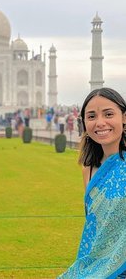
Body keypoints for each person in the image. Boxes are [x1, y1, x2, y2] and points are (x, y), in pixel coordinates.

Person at [58, 87, 126, 278]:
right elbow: (96, 224)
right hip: (97, 264)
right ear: (85, 123)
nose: (100, 123)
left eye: (108, 114)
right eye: (92, 116)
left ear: (124, 118)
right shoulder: (88, 171)